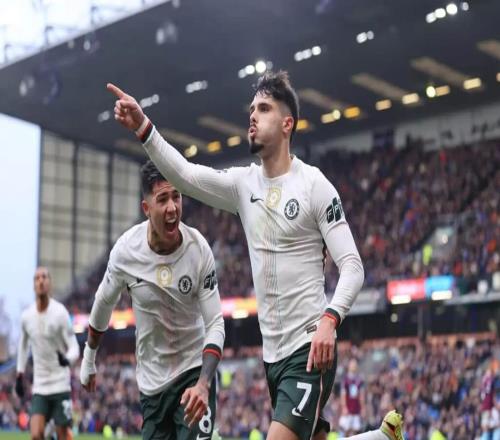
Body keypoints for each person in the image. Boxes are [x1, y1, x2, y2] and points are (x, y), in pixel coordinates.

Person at [107, 71, 403, 440]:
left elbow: (353, 267)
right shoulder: (242, 185)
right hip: (272, 357)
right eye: (252, 109)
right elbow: (184, 175)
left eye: (263, 109)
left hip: (309, 348)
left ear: (287, 124)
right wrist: (143, 128)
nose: (252, 116)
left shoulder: (314, 186)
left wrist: (330, 320)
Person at [80, 160, 225, 440]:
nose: (172, 208)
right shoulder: (126, 252)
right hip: (152, 385)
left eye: (176, 196)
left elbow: (216, 323)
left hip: (193, 372)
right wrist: (89, 358)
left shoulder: (198, 249)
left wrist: (204, 383)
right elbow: (103, 304)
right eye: (162, 199)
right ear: (146, 208)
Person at [16, 267, 79, 440]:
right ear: (33, 285)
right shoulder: (27, 317)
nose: (41, 281)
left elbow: (74, 346)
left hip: (60, 384)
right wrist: (19, 374)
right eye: (37, 278)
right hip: (40, 386)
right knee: (36, 435)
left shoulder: (60, 313)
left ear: (50, 283)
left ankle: (58, 432)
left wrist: (67, 359)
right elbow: (23, 346)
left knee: (63, 436)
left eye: (44, 277)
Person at [339, 359, 365, 435]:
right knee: (346, 430)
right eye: (352, 365)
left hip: (356, 409)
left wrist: (363, 407)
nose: (354, 366)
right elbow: (343, 395)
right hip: (348, 408)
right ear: (349, 366)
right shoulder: (345, 379)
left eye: (355, 365)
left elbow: (361, 395)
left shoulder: (359, 380)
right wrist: (344, 407)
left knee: (356, 430)